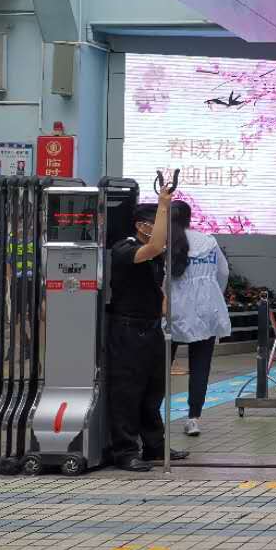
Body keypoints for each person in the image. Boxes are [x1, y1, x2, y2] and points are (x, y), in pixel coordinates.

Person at [106, 186, 188, 471]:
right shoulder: (124, 249)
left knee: (154, 390)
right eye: (158, 225)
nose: (164, 233)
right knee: (127, 392)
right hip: (128, 330)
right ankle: (125, 451)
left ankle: (154, 446)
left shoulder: (155, 256)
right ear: (142, 226)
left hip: (151, 329)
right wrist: (164, 204)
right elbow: (153, 247)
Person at [168, 201, 232, 439]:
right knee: (200, 367)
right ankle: (193, 418)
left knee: (160, 367)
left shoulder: (165, 241)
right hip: (207, 310)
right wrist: (213, 294)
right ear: (190, 217)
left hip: (173, 311)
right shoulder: (209, 241)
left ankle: (152, 416)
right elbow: (223, 272)